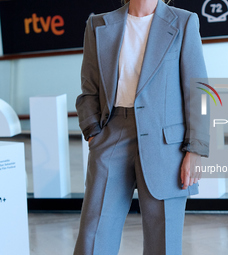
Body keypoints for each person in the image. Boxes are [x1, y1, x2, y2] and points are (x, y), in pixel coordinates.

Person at [73, 0, 210, 254]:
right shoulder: (98, 24)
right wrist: (93, 132)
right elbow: (88, 90)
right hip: (111, 135)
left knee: (164, 241)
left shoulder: (184, 22)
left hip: (166, 144)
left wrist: (196, 150)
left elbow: (198, 91)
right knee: (94, 234)